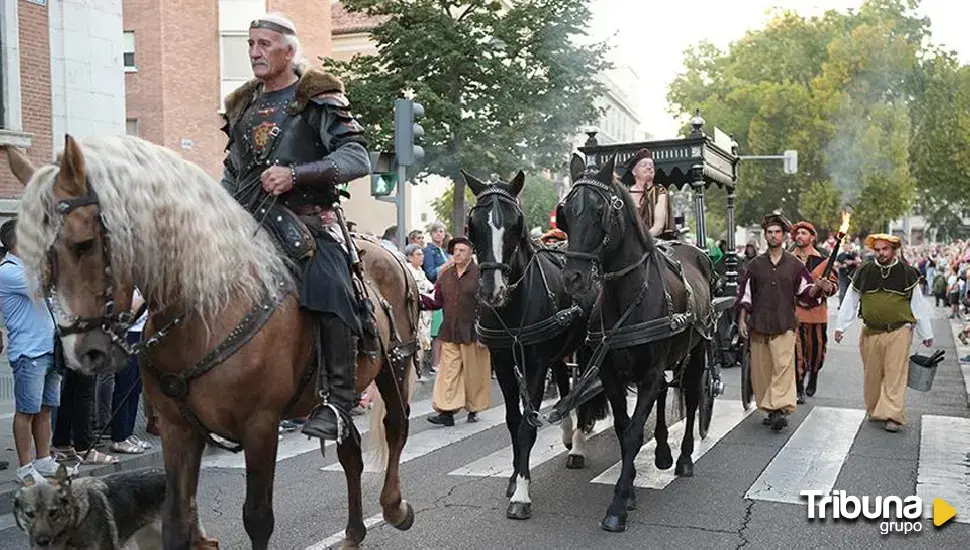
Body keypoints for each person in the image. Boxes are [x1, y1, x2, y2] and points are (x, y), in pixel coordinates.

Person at [219, 13, 373, 443]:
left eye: (264, 44)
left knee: (329, 284)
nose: (254, 52)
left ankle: (339, 402)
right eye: (251, 44)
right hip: (249, 223)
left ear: (289, 49)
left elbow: (357, 158)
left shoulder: (317, 98)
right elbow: (231, 174)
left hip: (308, 222)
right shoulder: (243, 106)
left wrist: (297, 174)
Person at [736, 214, 830, 431]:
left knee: (782, 367)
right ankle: (771, 408)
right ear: (765, 236)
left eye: (777, 232)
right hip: (759, 325)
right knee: (763, 371)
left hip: (785, 323)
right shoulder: (755, 265)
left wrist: (817, 287)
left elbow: (806, 291)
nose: (773, 236)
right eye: (770, 232)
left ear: (784, 236)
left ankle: (779, 409)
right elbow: (746, 295)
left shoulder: (795, 265)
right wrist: (742, 319)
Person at [835, 234, 933, 433]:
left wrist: (926, 333)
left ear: (893, 250)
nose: (880, 253)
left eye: (885, 249)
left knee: (895, 373)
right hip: (871, 330)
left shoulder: (907, 272)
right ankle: (874, 408)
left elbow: (918, 305)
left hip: (900, 329)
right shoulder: (865, 270)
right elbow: (851, 299)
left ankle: (893, 415)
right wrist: (840, 327)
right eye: (877, 250)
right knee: (872, 374)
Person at [0, 219, 62, 483]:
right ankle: (25, 467)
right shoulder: (8, 271)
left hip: (49, 349)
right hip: (29, 352)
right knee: (26, 411)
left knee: (46, 408)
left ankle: (44, 459)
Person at [420, 237, 491, 426]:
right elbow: (437, 300)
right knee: (448, 372)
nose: (457, 254)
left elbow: (487, 305)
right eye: (455, 251)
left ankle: (473, 407)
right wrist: (419, 300)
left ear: (470, 254)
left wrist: (484, 332)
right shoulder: (446, 275)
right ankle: (447, 412)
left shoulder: (480, 275)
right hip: (450, 330)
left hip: (473, 332)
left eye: (462, 250)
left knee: (472, 373)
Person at [790, 221, 838, 403]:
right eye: (797, 233)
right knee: (797, 352)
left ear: (812, 238)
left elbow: (833, 285)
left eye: (804, 233)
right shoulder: (788, 259)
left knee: (816, 352)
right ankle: (799, 387)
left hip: (817, 313)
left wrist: (828, 287)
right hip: (795, 313)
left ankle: (814, 374)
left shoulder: (823, 262)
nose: (800, 236)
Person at [622, 148, 675, 238]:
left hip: (654, 241)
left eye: (651, 165)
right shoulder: (625, 194)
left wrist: (642, 241)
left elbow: (658, 226)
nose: (649, 167)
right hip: (628, 244)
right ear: (634, 172)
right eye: (644, 165)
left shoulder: (660, 192)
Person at [836, 241, 861, 306]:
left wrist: (851, 262)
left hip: (851, 275)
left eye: (847, 245)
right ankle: (841, 305)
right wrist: (842, 266)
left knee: (850, 292)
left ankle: (849, 305)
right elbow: (836, 264)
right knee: (842, 291)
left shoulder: (853, 254)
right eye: (844, 245)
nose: (846, 247)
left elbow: (859, 261)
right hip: (842, 275)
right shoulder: (840, 255)